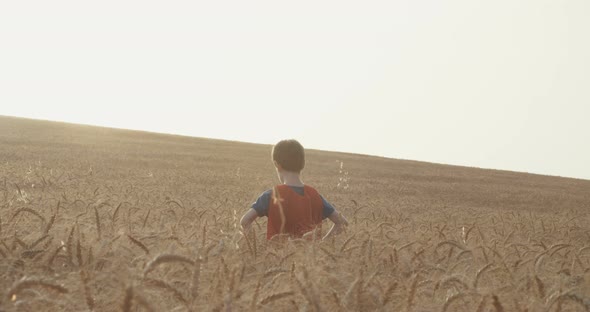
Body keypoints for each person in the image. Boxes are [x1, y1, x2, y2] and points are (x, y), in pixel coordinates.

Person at [240, 139, 348, 240]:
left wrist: (255, 249)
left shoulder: (271, 195)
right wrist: (322, 244)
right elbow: (342, 223)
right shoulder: (315, 196)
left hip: (277, 257)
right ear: (303, 164)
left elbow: (245, 221)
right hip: (309, 258)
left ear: (277, 165)